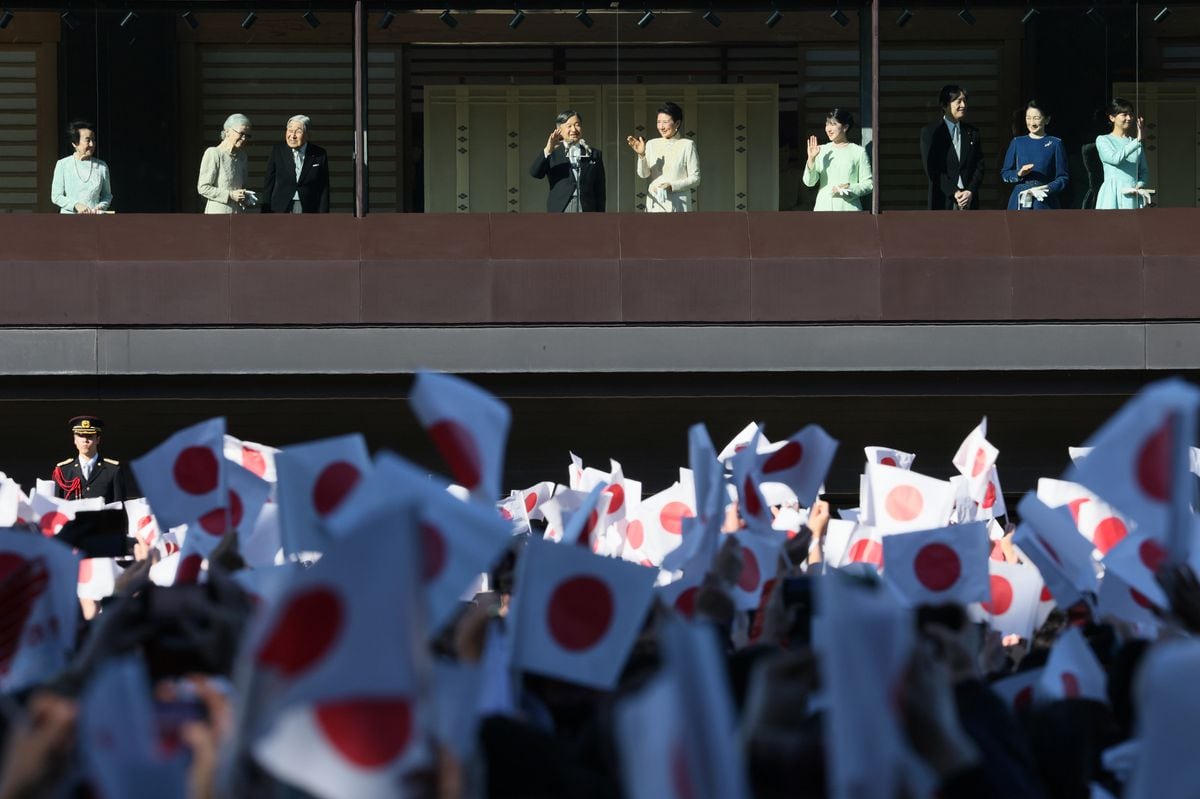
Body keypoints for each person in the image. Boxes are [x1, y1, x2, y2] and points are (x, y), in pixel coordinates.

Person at [626, 101, 701, 212]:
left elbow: (695, 179)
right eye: (658, 122)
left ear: (677, 123)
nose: (661, 127)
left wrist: (671, 186)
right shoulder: (651, 144)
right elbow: (643, 174)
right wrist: (641, 155)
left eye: (665, 122)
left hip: (679, 204)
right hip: (655, 205)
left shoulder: (687, 145)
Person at [920, 85, 984, 210]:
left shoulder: (972, 132)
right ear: (945, 105)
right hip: (943, 200)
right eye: (958, 101)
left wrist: (970, 191)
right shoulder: (930, 132)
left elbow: (979, 165)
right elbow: (932, 169)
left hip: (969, 200)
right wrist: (954, 192)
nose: (963, 105)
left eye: (965, 101)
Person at [529, 110, 606, 213]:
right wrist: (548, 149)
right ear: (559, 130)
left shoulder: (593, 154)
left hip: (587, 207)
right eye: (569, 126)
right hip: (561, 207)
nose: (574, 129)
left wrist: (600, 215)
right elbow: (535, 173)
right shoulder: (553, 154)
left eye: (577, 125)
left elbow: (600, 189)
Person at [1000, 101, 1069, 210]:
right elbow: (1005, 174)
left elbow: (1063, 177)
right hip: (1020, 200)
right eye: (1028, 118)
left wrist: (1046, 188)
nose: (1032, 123)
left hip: (1044, 201)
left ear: (1047, 119)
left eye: (1036, 118)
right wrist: (1019, 173)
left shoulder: (1055, 143)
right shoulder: (1017, 142)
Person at [802, 109, 873, 211]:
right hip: (824, 208)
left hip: (849, 209)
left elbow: (868, 184)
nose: (828, 129)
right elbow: (809, 182)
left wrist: (849, 188)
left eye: (833, 124)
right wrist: (811, 159)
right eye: (827, 124)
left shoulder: (858, 151)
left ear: (845, 127)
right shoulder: (820, 150)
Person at [51, 416, 129, 503]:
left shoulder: (112, 470)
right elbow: (56, 508)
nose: (85, 440)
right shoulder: (63, 471)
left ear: (98, 439)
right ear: (74, 440)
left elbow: (119, 506)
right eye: (81, 436)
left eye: (89, 436)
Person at [261, 114, 329, 214]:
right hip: (280, 206)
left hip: (308, 207)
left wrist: (323, 215)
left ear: (308, 134)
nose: (293, 136)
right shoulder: (278, 151)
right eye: (290, 130)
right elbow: (269, 183)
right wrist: (265, 212)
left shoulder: (319, 154)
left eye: (298, 131)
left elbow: (324, 188)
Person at [1095, 98, 1150, 210]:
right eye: (1124, 114)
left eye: (1130, 114)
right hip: (1111, 194)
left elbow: (1144, 171)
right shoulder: (1103, 140)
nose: (1129, 118)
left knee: (1132, 227)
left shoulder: (1135, 143)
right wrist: (1137, 141)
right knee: (1109, 226)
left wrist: (1138, 185)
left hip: (1132, 196)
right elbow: (1115, 158)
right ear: (1112, 117)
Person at [50, 120, 112, 214]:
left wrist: (100, 207)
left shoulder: (102, 166)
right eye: (88, 140)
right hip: (69, 221)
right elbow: (56, 196)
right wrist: (76, 205)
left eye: (93, 140)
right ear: (75, 143)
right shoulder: (63, 164)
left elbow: (107, 195)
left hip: (95, 221)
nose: (92, 144)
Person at [197, 113, 254, 214]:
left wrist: (245, 196)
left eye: (247, 135)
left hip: (237, 213)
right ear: (227, 132)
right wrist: (230, 195)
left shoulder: (242, 156)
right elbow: (203, 188)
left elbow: (243, 186)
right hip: (218, 213)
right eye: (241, 134)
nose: (244, 138)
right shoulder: (214, 153)